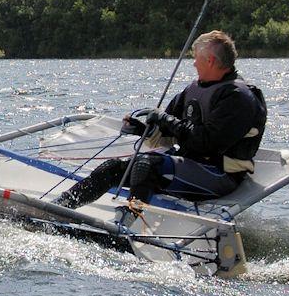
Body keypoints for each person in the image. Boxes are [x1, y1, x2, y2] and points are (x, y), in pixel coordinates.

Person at [54, 30, 267, 208]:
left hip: (220, 176)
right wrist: (142, 128)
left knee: (147, 165)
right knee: (112, 168)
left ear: (210, 60)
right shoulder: (194, 89)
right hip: (189, 166)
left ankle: (130, 221)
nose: (193, 64)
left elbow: (206, 144)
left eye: (196, 58)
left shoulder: (239, 98)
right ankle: (59, 207)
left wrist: (164, 119)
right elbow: (170, 132)